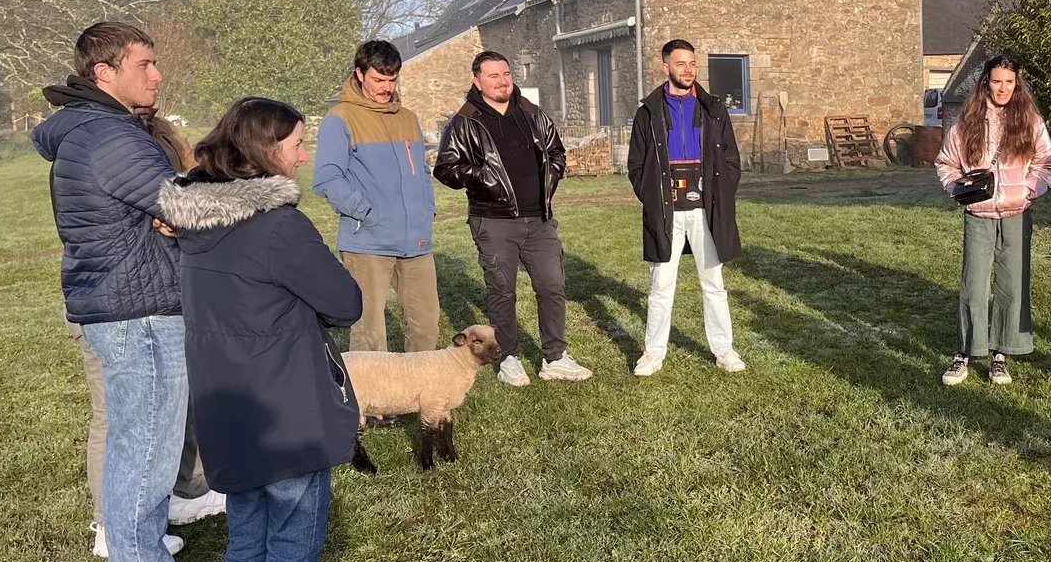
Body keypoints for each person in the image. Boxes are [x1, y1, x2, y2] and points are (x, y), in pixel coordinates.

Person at [161, 98, 365, 562]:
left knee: (248, 540)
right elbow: (345, 301)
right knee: (292, 544)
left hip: (229, 408)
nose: (304, 156)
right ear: (263, 151)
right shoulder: (279, 226)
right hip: (287, 410)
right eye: (296, 145)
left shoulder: (196, 225)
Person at [33, 22, 221, 562]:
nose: (157, 74)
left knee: (145, 443)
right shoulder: (109, 136)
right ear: (103, 74)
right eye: (144, 64)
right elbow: (188, 206)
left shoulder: (100, 132)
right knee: (142, 446)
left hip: (132, 299)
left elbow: (166, 206)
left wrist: (166, 215)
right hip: (135, 307)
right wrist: (266, 192)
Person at [75, 90, 223, 562]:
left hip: (152, 292)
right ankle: (110, 527)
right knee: (118, 420)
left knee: (164, 413)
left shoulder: (142, 135)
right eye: (145, 66)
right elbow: (162, 210)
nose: (156, 79)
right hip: (116, 303)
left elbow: (176, 204)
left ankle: (168, 501)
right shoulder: (101, 143)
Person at [433, 51, 590, 386]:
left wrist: (554, 173)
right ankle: (509, 357)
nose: (502, 81)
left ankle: (555, 357)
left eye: (506, 74)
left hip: (540, 218)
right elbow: (445, 168)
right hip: (494, 220)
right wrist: (481, 176)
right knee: (502, 291)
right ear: (477, 81)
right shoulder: (465, 120)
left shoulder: (532, 113)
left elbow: (557, 152)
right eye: (493, 76)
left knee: (552, 286)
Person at [934, 55, 1051, 386]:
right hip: (979, 215)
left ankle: (1000, 354)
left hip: (1017, 215)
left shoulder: (1030, 121)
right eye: (996, 81)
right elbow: (946, 163)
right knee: (974, 285)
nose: (1002, 88)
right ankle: (965, 351)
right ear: (985, 83)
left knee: (1010, 287)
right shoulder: (967, 120)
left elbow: (1048, 165)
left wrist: (1026, 192)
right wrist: (959, 190)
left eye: (1009, 81)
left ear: (1016, 83)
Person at [312, 40, 440, 356]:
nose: (386, 87)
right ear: (360, 74)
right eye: (379, 79)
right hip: (367, 243)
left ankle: (421, 399)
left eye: (392, 79)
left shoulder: (408, 118)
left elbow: (422, 171)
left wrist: (427, 209)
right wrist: (366, 212)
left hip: (416, 241)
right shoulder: (339, 119)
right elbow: (328, 178)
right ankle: (374, 405)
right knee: (370, 335)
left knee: (426, 326)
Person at [627, 39, 745, 377]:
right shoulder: (648, 112)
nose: (688, 69)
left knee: (714, 283)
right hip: (665, 210)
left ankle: (724, 350)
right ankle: (653, 353)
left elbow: (732, 161)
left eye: (692, 63)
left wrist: (720, 194)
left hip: (707, 209)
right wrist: (651, 195)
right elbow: (636, 165)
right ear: (665, 67)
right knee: (661, 286)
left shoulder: (714, 109)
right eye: (681, 63)